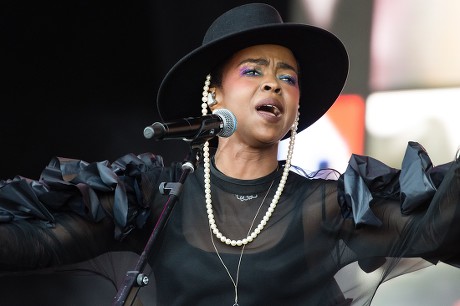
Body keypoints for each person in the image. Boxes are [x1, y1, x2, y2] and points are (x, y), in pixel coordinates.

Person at [0, 3, 459, 306]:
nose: (273, 83)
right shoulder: (159, 195)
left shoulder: (329, 206)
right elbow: (40, 242)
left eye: (288, 77)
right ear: (214, 96)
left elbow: (438, 222)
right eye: (253, 70)